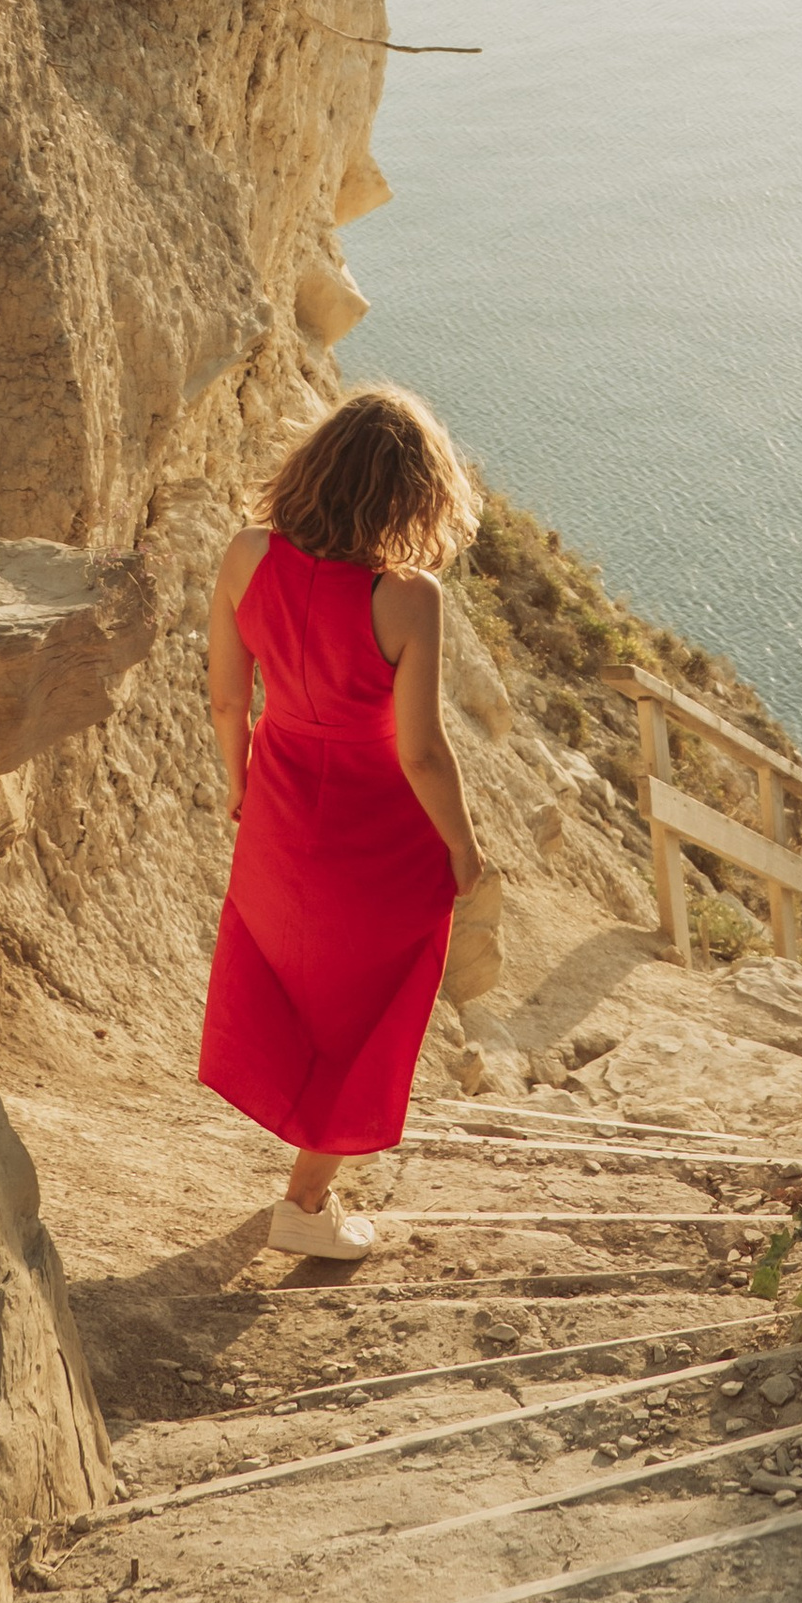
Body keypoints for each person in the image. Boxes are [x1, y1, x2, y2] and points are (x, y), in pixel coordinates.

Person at [197, 382, 493, 1259]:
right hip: (378, 834)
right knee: (373, 1008)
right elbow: (424, 753)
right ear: (413, 496)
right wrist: (466, 849)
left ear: (314, 466)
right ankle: (306, 1202)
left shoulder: (247, 555)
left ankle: (303, 1184)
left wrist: (240, 783)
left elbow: (224, 701)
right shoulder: (409, 599)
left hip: (281, 805)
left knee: (290, 986)